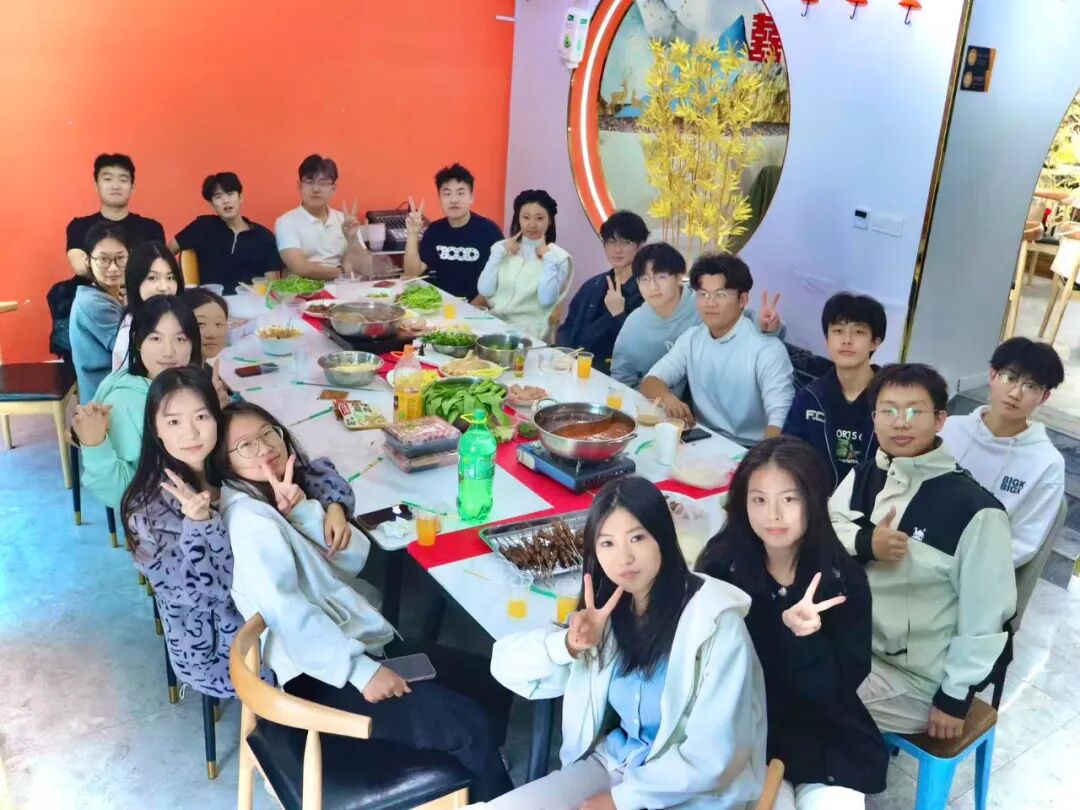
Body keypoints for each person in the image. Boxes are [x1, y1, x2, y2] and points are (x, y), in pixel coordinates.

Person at [213, 403, 512, 801]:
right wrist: (362, 673)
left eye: (268, 433)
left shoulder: (277, 499)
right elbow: (290, 615)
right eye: (245, 445)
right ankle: (489, 785)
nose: (265, 447)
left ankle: (479, 778)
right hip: (321, 680)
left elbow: (354, 559)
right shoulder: (250, 522)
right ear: (225, 462)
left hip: (349, 647)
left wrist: (304, 512)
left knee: (491, 677)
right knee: (468, 725)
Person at [480, 476, 767, 810]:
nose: (624, 558)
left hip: (692, 794)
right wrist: (568, 645)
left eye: (637, 538)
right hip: (617, 764)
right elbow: (504, 666)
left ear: (662, 536)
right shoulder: (605, 613)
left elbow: (714, 757)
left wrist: (620, 800)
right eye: (608, 544)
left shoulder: (716, 623)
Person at [698, 438, 887, 809]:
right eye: (759, 499)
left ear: (813, 500)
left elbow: (840, 690)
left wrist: (805, 639)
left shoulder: (842, 580)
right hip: (750, 732)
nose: (773, 515)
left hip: (824, 737)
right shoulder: (721, 568)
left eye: (789, 499)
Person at [829, 363, 1016, 739]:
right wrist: (865, 543)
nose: (901, 423)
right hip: (853, 644)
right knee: (768, 655)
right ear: (874, 419)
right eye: (888, 411)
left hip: (916, 681)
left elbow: (986, 617)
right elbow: (826, 528)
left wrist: (954, 697)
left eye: (915, 411)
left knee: (801, 696)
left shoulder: (975, 511)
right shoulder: (864, 475)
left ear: (940, 420)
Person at [121, 367, 240, 698]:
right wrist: (201, 526)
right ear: (156, 429)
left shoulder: (231, 460)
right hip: (214, 648)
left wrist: (333, 504)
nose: (191, 433)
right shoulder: (147, 510)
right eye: (174, 422)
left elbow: (298, 466)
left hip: (261, 613)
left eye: (201, 417)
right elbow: (207, 594)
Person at [640, 253, 794, 445]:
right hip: (702, 439)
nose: (710, 303)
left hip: (751, 447)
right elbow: (651, 380)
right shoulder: (692, 338)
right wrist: (667, 398)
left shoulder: (767, 349)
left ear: (743, 300)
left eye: (720, 295)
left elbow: (781, 418)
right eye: (703, 294)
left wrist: (761, 457)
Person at [940, 337, 1066, 566]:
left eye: (1031, 386)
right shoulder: (948, 429)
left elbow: (1023, 544)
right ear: (992, 375)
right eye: (1010, 378)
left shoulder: (1046, 463)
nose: (1016, 393)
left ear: (1044, 397)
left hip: (977, 570)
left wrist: (962, 566)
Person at [74, 296, 201, 511]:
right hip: (162, 515)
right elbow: (120, 494)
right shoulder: (126, 402)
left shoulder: (183, 386)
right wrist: (94, 446)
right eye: (156, 338)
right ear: (136, 341)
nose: (169, 352)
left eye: (180, 339)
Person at [610, 242, 783, 390]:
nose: (653, 287)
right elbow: (621, 378)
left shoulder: (704, 303)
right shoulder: (634, 325)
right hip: (653, 407)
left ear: (679, 277)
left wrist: (766, 325)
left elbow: (745, 320)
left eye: (661, 277)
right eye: (644, 279)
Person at [783, 293, 887, 491]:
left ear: (875, 341)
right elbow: (789, 455)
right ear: (827, 339)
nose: (847, 340)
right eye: (838, 331)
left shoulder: (892, 399)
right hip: (818, 501)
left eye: (858, 332)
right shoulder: (810, 397)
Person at [556, 210, 649, 374]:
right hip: (573, 369)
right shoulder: (593, 285)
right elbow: (567, 328)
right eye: (611, 242)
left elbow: (641, 349)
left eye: (626, 242)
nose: (617, 249)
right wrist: (565, 354)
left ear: (640, 245)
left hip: (614, 376)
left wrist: (618, 315)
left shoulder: (647, 293)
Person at [476, 189, 572, 340]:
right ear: (518, 219)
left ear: (550, 220)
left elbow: (546, 300)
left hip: (530, 334)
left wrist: (548, 258)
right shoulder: (501, 248)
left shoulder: (559, 258)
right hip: (494, 325)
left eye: (539, 218)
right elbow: (485, 290)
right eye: (526, 217)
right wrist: (498, 254)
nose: (532, 224)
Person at [403, 163, 503, 302]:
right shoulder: (435, 231)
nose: (454, 200)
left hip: (479, 308)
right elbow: (411, 274)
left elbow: (500, 278)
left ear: (471, 197)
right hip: (443, 306)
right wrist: (412, 233)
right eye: (447, 193)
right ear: (439, 198)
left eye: (460, 193)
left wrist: (471, 309)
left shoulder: (489, 231)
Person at [169, 172, 282, 293]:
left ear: (240, 197)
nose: (226, 201)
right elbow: (167, 250)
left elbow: (272, 285)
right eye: (218, 197)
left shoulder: (264, 237)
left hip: (250, 300)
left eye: (230, 194)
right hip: (210, 300)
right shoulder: (202, 226)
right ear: (212, 205)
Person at [66, 153, 164, 277]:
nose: (116, 186)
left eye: (123, 180)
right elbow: (80, 267)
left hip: (135, 290)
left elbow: (156, 269)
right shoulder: (79, 226)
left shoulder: (151, 229)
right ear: (96, 186)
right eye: (108, 179)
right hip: (89, 288)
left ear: (132, 188)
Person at [274, 154, 367, 280]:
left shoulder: (345, 220)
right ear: (300, 186)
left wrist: (352, 239)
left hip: (345, 288)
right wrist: (342, 272)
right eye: (309, 182)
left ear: (333, 188)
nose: (316, 189)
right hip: (305, 290)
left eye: (323, 183)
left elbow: (364, 267)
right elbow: (300, 268)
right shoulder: (286, 222)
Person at [69, 223, 129, 403]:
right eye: (103, 260)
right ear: (87, 260)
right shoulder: (93, 304)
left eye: (120, 258)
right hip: (107, 403)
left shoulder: (114, 295)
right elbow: (133, 350)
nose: (113, 268)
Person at [112, 242, 185, 371]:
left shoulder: (181, 316)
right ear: (134, 281)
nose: (164, 287)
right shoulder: (129, 330)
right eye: (152, 278)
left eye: (170, 278)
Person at [181, 287, 233, 407]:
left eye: (219, 323)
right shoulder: (185, 383)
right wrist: (216, 408)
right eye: (201, 324)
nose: (212, 334)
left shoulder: (205, 369)